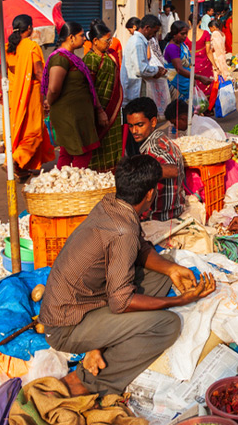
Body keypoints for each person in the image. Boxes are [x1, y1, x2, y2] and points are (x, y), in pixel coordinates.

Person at [41, 155, 217, 397]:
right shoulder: (121, 230)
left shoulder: (112, 204)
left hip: (89, 299)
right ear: (150, 194)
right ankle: (88, 381)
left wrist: (171, 269)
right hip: (67, 325)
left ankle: (100, 343)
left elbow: (140, 245)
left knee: (163, 274)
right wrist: (178, 302)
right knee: (167, 324)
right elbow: (121, 301)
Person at [43, 22, 103, 169]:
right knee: (81, 153)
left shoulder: (71, 57)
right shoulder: (60, 58)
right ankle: (73, 186)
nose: (84, 39)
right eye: (81, 35)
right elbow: (54, 88)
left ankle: (62, 185)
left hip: (77, 114)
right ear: (71, 37)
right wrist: (48, 102)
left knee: (67, 152)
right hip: (69, 115)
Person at [5, 14, 54, 180]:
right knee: (34, 132)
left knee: (19, 131)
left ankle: (21, 169)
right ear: (30, 28)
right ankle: (14, 159)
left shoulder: (8, 47)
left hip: (13, 94)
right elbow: (39, 72)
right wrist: (48, 94)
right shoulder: (31, 47)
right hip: (30, 94)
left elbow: (2, 74)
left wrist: (0, 93)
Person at [124, 97, 186, 222]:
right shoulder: (161, 139)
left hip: (159, 216)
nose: (134, 131)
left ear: (153, 122)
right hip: (174, 210)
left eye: (140, 125)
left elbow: (173, 169)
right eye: (131, 126)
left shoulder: (155, 147)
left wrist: (135, 172)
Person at [83, 22, 124, 172]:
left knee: (113, 144)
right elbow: (88, 88)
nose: (109, 43)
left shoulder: (108, 57)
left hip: (112, 111)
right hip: (99, 110)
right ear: (95, 41)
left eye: (110, 40)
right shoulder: (90, 60)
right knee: (99, 146)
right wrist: (99, 110)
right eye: (107, 40)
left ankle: (112, 175)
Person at [163, 21, 213, 102]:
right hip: (176, 84)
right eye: (182, 34)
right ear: (174, 34)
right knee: (179, 111)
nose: (185, 36)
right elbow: (179, 69)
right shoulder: (172, 47)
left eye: (186, 33)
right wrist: (199, 77)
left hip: (185, 82)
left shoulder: (181, 44)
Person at [122, 15, 166, 103]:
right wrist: (157, 70)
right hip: (133, 93)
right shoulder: (138, 42)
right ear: (147, 28)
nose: (154, 35)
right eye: (154, 32)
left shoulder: (138, 41)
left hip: (133, 91)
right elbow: (141, 69)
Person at [186, 18, 216, 104]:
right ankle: (206, 107)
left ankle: (195, 106)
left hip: (191, 65)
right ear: (200, 22)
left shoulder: (186, 34)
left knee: (193, 86)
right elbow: (208, 51)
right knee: (206, 84)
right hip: (204, 64)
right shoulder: (205, 33)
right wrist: (215, 65)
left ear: (189, 22)